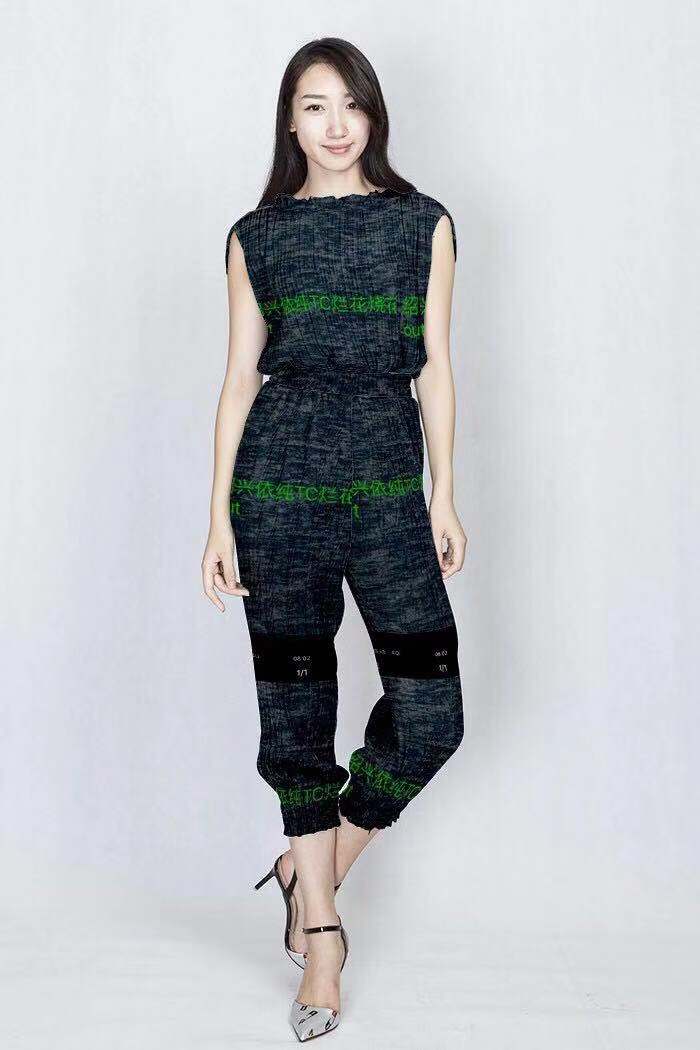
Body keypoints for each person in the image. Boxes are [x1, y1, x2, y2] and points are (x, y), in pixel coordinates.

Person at [202, 36, 468, 1043]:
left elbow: (436, 368)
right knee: (296, 719)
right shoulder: (256, 236)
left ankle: (312, 865)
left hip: (389, 494)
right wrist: (216, 516)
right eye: (315, 105)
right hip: (278, 491)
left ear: (374, 114)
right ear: (291, 121)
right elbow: (239, 379)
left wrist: (444, 495)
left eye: (351, 103)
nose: (336, 124)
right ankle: (321, 934)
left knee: (431, 713)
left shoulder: (423, 223)